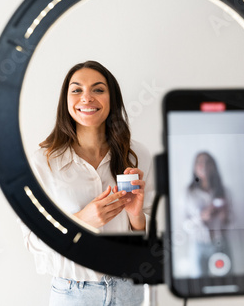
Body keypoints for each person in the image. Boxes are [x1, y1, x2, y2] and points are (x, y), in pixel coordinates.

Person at [19, 60, 154, 305]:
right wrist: (81, 221)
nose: (87, 98)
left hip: (130, 292)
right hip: (74, 293)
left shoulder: (138, 156)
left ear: (112, 99)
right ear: (66, 100)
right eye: (77, 90)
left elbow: (159, 240)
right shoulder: (43, 162)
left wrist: (136, 218)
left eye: (98, 89)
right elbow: (32, 240)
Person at [183, 152, 231, 277]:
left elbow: (234, 220)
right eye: (199, 162)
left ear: (213, 167)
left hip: (221, 243)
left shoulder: (224, 191)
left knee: (225, 281)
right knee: (198, 282)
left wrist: (225, 216)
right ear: (194, 167)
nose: (203, 165)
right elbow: (184, 226)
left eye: (208, 162)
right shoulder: (188, 193)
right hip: (198, 245)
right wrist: (201, 217)